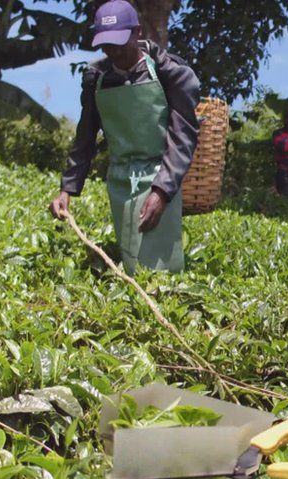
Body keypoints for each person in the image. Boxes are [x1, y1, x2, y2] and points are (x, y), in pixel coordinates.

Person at [48, 0, 199, 275]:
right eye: (107, 45)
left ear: (137, 33)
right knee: (131, 260)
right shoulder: (97, 77)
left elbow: (183, 135)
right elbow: (86, 135)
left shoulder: (170, 73)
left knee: (161, 271)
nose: (114, 51)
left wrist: (162, 191)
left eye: (119, 42)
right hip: (119, 178)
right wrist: (67, 189)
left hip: (160, 174)